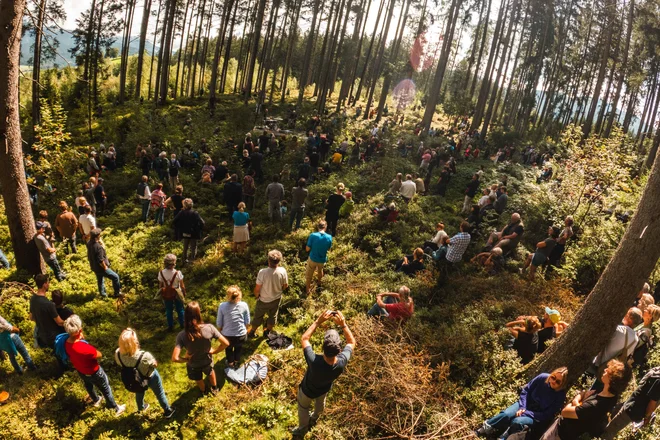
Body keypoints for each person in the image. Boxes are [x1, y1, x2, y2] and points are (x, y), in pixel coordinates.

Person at [292, 310, 356, 438]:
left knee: (303, 408)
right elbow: (352, 342)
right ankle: (315, 418)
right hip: (323, 390)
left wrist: (318, 321)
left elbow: (304, 338)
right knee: (320, 404)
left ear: (323, 347)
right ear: (339, 349)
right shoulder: (341, 362)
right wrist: (343, 325)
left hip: (306, 391)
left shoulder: (313, 360)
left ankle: (302, 429)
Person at [540, 360, 629, 440]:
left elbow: (565, 412)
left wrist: (576, 401)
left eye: (608, 371)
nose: (605, 370)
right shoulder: (609, 395)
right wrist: (576, 402)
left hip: (559, 435)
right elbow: (582, 393)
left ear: (612, 379)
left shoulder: (595, 405)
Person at [475, 368, 569, 439]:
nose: (553, 381)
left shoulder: (560, 396)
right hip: (524, 404)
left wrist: (526, 413)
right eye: (553, 377)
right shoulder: (542, 377)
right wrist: (522, 407)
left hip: (535, 416)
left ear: (562, 384)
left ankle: (505, 436)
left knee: (518, 422)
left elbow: (547, 414)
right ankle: (485, 428)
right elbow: (526, 390)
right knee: (506, 414)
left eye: (557, 382)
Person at [63, 315, 126, 416]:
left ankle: (96, 399)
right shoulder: (84, 348)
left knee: (88, 385)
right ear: (80, 329)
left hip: (81, 371)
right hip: (94, 372)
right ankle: (115, 408)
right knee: (105, 388)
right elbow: (99, 355)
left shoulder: (66, 342)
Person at [115, 329, 175, 417]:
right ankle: (167, 411)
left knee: (139, 392)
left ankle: (141, 409)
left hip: (135, 379)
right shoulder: (144, 355)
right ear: (134, 342)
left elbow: (120, 363)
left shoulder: (117, 354)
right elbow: (155, 364)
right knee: (159, 393)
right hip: (150, 376)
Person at [172, 302, 229, 394]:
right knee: (210, 372)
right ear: (199, 314)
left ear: (185, 316)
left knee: (198, 379)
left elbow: (175, 358)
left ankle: (203, 391)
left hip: (193, 364)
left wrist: (186, 359)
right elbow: (226, 343)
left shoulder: (181, 335)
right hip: (207, 360)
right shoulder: (210, 328)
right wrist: (215, 351)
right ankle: (215, 388)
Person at [601, 366, 660, 439]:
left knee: (612, 424)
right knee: (610, 431)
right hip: (633, 409)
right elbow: (652, 403)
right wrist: (647, 417)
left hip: (632, 403)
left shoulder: (657, 371)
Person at [590, 307, 642, 389]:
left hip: (597, 363)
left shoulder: (618, 329)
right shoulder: (636, 339)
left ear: (630, 318)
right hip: (609, 369)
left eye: (627, 314)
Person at [249, 250, 289, 338]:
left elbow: (257, 288)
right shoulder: (282, 271)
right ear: (279, 261)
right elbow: (285, 285)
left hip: (263, 299)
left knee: (258, 316)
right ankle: (268, 332)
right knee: (273, 316)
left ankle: (252, 332)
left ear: (268, 260)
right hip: (276, 299)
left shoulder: (262, 272)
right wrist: (279, 290)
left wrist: (257, 296)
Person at [216, 286, 250, 369]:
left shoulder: (222, 306)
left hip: (227, 336)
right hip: (241, 335)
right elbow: (247, 322)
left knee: (228, 349)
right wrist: (245, 330)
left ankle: (230, 363)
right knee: (238, 348)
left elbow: (219, 323)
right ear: (240, 295)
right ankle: (236, 361)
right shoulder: (244, 305)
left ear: (228, 296)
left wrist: (220, 333)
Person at [30, 274, 64, 352]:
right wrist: (71, 321)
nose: (48, 284)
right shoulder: (49, 304)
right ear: (44, 285)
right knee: (60, 355)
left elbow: (31, 317)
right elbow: (59, 322)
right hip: (53, 337)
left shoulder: (33, 299)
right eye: (48, 282)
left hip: (41, 335)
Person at [86, 228, 123, 299]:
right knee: (115, 277)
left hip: (94, 266)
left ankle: (103, 294)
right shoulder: (98, 247)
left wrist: (100, 242)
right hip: (101, 268)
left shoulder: (88, 243)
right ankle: (117, 293)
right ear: (98, 236)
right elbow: (100, 260)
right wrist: (105, 267)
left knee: (100, 280)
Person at [158, 254, 186, 331]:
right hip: (177, 292)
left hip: (167, 293)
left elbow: (160, 286)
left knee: (169, 310)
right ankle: (182, 324)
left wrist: (161, 294)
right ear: (173, 263)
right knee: (180, 309)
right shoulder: (178, 273)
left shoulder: (161, 273)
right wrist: (184, 293)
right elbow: (182, 285)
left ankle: (170, 326)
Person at [173, 198, 205, 265]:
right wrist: (199, 229)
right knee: (193, 247)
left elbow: (174, 221)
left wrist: (180, 228)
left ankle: (184, 260)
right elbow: (202, 222)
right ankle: (192, 261)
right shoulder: (195, 213)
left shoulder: (181, 212)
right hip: (193, 233)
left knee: (185, 247)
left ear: (184, 205)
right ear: (191, 205)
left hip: (184, 232)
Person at [305, 221, 333, 294]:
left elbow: (307, 249)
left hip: (312, 259)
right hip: (322, 260)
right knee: (320, 270)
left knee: (309, 274)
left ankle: (307, 290)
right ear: (325, 227)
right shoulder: (329, 237)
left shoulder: (313, 235)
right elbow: (329, 249)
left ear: (318, 227)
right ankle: (319, 284)